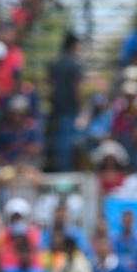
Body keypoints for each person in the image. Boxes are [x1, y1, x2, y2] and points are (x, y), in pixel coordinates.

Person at [48, 33, 83, 171]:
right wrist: (80, 105)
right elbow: (76, 86)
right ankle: (65, 167)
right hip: (69, 105)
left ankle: (61, 165)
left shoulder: (56, 62)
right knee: (66, 137)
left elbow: (50, 83)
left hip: (57, 104)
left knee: (60, 136)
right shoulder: (74, 64)